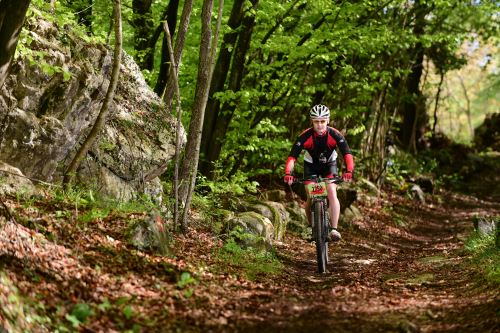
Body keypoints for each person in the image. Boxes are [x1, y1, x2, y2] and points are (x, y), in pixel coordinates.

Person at [283, 104, 354, 242]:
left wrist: (349, 170)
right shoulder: (305, 136)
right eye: (316, 121)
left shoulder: (335, 134)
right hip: (311, 165)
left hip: (330, 165)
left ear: (328, 121)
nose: (320, 125)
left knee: (332, 192)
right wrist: (288, 173)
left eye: (322, 121)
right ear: (312, 122)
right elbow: (292, 157)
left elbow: (347, 154)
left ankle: (334, 229)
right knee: (311, 196)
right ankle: (311, 226)